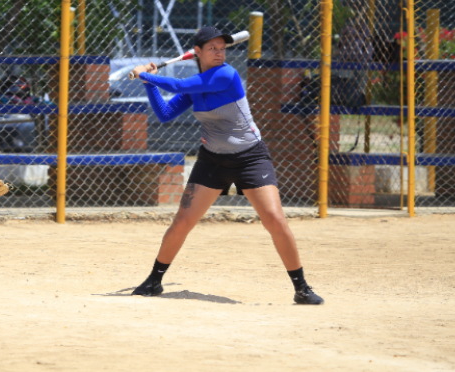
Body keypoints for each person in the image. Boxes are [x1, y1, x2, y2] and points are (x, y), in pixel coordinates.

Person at [128, 26, 324, 305]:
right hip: (212, 160)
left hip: (250, 157)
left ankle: (301, 287)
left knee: (274, 219)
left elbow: (179, 86)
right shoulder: (198, 84)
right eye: (212, 48)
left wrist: (145, 74)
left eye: (222, 48)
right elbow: (165, 113)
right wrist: (150, 84)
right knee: (183, 221)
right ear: (197, 53)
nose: (220, 52)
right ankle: (154, 281)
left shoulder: (227, 75)